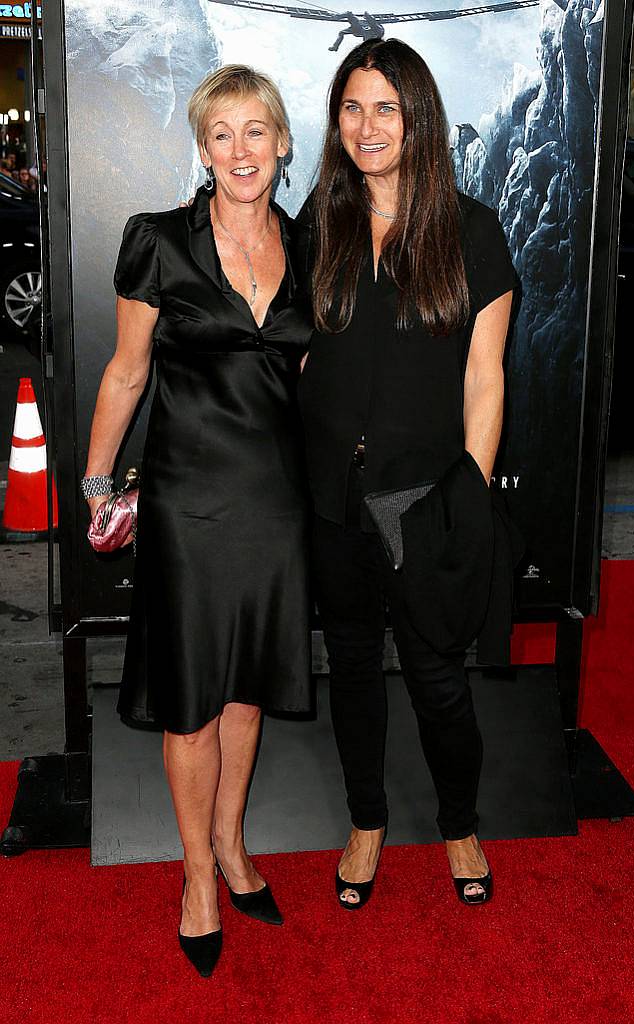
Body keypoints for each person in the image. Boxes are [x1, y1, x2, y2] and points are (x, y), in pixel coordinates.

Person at [83, 65, 313, 976]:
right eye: (221, 134)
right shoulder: (159, 244)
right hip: (185, 501)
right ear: (203, 148)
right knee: (192, 704)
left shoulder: (309, 246)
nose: (240, 150)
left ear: (282, 142)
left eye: (256, 131)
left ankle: (230, 844)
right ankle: (195, 877)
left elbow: (301, 384)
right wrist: (99, 484)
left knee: (247, 690)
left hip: (273, 504)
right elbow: (127, 373)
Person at [297, 39, 518, 909]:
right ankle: (366, 824)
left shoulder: (472, 229)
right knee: (349, 669)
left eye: (385, 107)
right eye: (351, 108)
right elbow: (306, 350)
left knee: (436, 683)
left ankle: (458, 825)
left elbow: (485, 376)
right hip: (331, 497)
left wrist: (464, 491)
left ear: (418, 117)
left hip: (419, 500)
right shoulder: (324, 216)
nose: (366, 126)